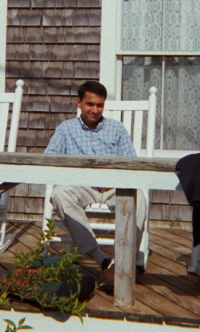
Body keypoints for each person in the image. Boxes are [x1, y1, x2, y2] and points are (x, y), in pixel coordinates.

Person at [44, 80, 146, 291]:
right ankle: (102, 260)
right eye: (90, 104)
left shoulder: (116, 129)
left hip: (113, 187)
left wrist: (117, 180)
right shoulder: (66, 129)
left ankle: (120, 262)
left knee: (140, 200)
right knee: (60, 194)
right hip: (82, 186)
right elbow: (49, 160)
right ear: (79, 103)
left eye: (99, 105)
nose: (95, 110)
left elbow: (132, 163)